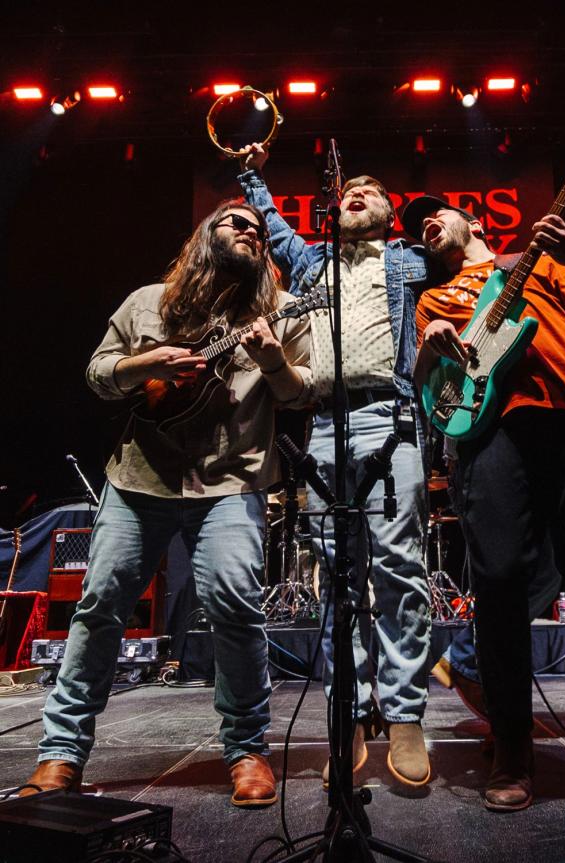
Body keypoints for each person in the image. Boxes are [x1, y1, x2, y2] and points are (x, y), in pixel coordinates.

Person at [21, 200, 311, 808]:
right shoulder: (147, 301)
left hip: (232, 481)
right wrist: (144, 364)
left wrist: (272, 362)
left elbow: (301, 390)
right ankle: (61, 753)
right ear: (206, 236)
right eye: (238, 223)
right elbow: (99, 375)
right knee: (100, 605)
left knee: (235, 603)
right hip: (139, 480)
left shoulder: (281, 311)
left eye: (260, 230)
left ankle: (246, 750)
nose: (252, 232)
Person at [405, 195, 565, 829]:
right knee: (498, 585)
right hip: (490, 436)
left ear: (476, 222)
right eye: (417, 225)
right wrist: (434, 344)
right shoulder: (433, 298)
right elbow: (430, 385)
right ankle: (511, 748)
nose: (425, 223)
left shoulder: (535, 262)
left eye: (437, 213)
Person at [236, 143, 436, 788]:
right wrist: (251, 173)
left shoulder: (411, 262)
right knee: (336, 575)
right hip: (325, 423)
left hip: (392, 419)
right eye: (348, 192)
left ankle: (404, 715)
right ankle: (345, 716)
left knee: (400, 570)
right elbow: (270, 225)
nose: (355, 196)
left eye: (370, 193)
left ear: (387, 213)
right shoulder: (313, 259)